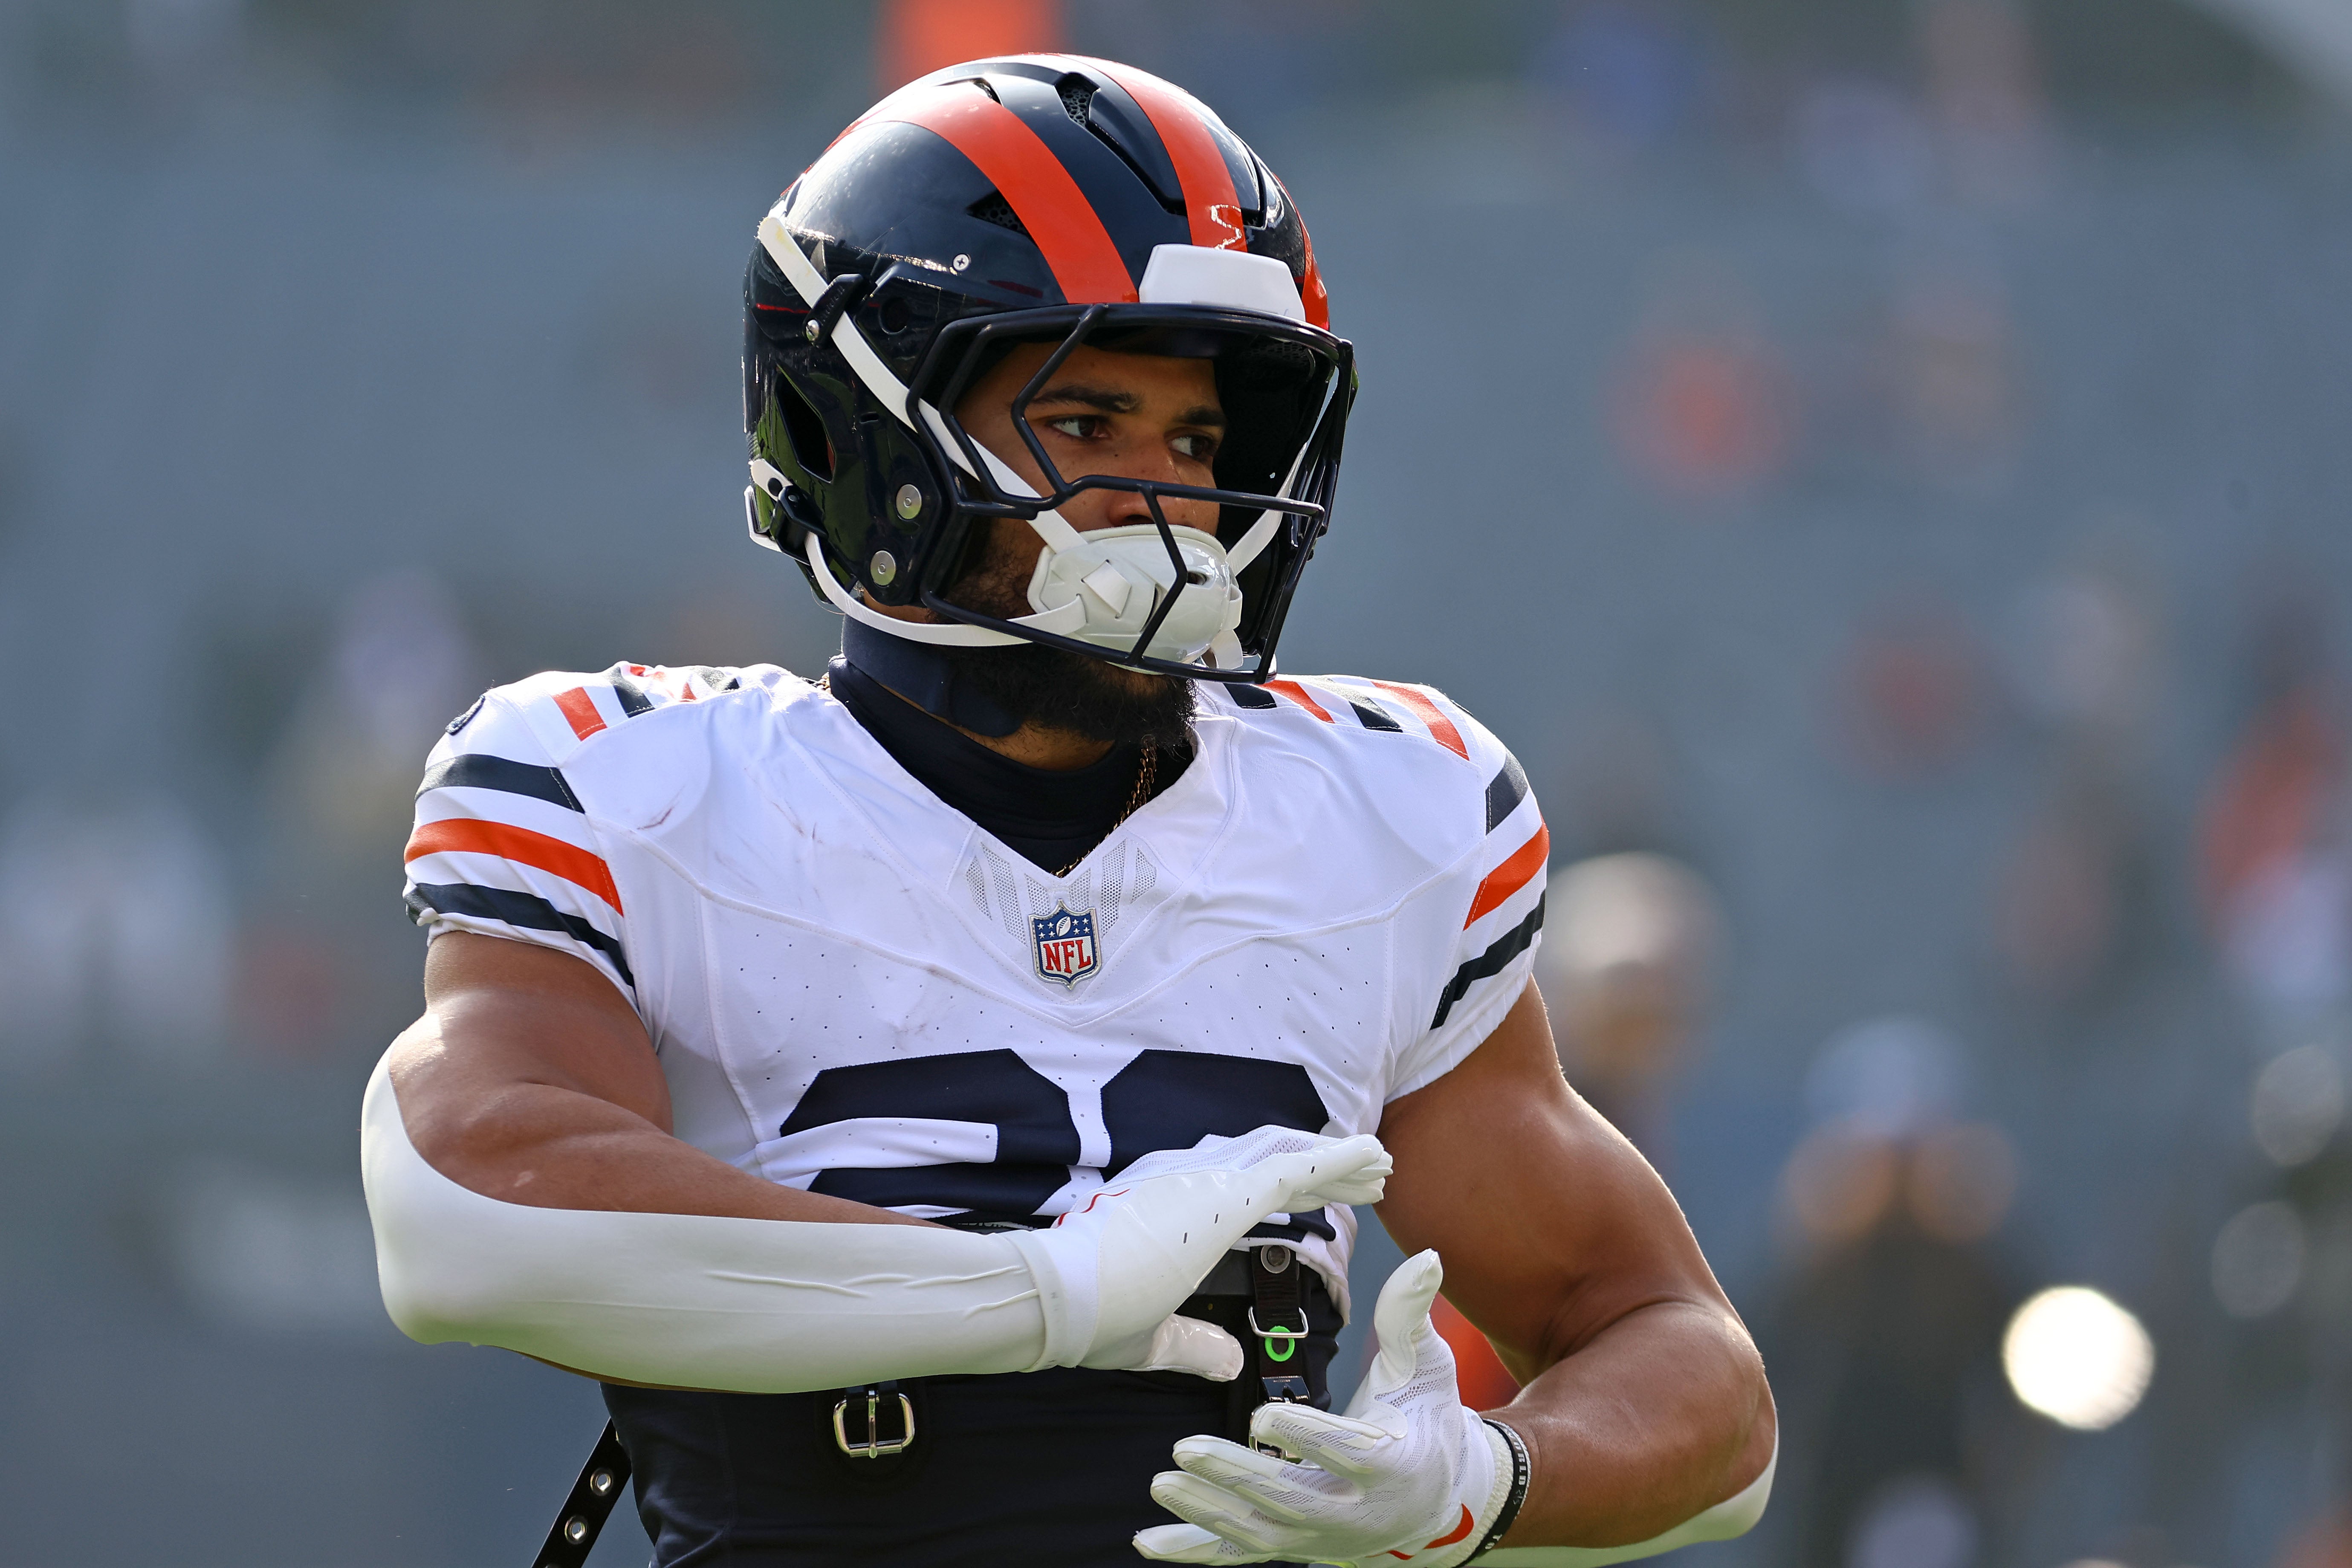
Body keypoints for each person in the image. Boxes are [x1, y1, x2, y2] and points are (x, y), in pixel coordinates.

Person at [362, 54, 1774, 1568]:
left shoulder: (1387, 812)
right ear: (865, 432)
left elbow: (1691, 1373)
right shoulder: (635, 785)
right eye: (1088, 421)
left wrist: (1485, 1481)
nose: (1170, 497)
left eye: (1196, 442)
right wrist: (1048, 1298)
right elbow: (462, 1216)